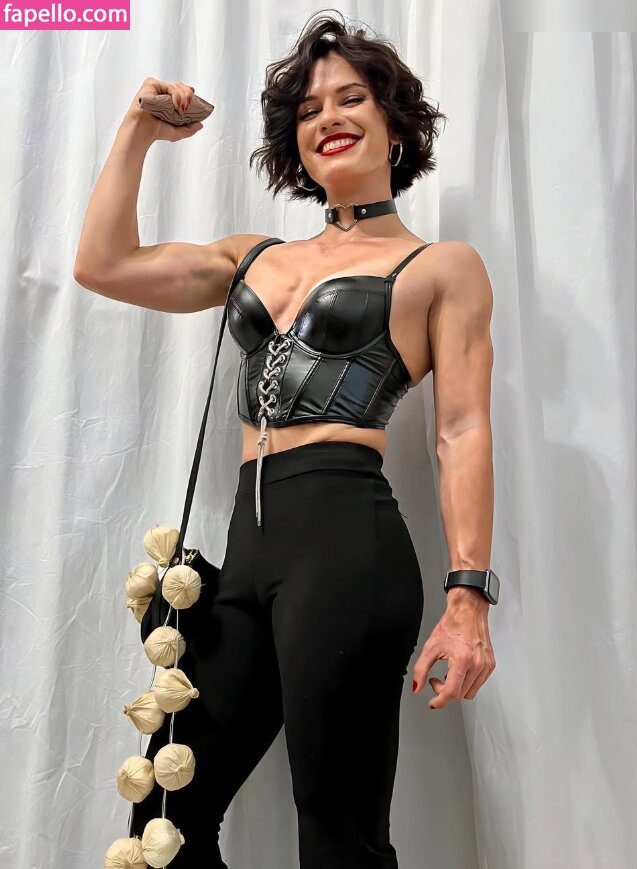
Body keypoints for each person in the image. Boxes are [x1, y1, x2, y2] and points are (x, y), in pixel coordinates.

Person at [74, 11, 498, 869]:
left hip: (348, 544)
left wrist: (467, 601)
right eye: (308, 109)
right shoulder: (251, 256)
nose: (327, 117)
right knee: (165, 823)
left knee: (337, 836)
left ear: (394, 125)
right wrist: (137, 130)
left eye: (351, 99)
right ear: (292, 143)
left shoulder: (441, 266)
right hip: (249, 550)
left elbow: (460, 430)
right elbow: (103, 265)